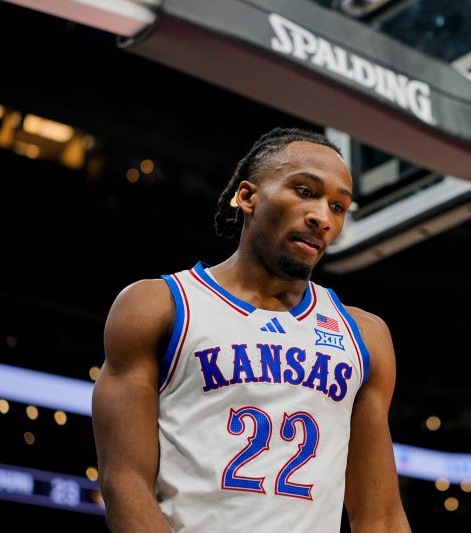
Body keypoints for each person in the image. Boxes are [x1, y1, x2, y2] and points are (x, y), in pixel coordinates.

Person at [91, 127, 411, 532]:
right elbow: (124, 483)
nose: (322, 218)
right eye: (305, 191)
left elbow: (381, 517)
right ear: (247, 196)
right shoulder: (159, 306)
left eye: (338, 206)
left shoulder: (365, 336)